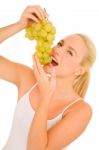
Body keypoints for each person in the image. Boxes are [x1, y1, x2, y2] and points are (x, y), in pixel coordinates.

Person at [0, 5, 96, 150]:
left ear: (79, 70)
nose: (57, 50)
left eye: (70, 52)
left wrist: (45, 97)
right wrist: (20, 25)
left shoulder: (80, 111)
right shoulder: (28, 78)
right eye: (60, 44)